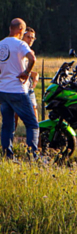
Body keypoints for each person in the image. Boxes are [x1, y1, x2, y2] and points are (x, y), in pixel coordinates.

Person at [0, 18, 39, 158]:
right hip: (17, 90)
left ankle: (7, 155)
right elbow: (32, 58)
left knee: (7, 125)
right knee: (32, 124)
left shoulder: (1, 44)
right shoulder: (20, 44)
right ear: (21, 30)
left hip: (3, 90)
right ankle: (33, 156)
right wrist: (27, 73)